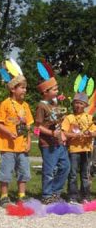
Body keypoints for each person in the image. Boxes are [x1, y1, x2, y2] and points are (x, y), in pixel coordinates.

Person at [0, 71, 34, 208]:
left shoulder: (25, 106)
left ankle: (22, 195)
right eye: (22, 87)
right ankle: (4, 196)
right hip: (8, 147)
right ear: (13, 89)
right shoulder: (5, 104)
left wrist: (28, 142)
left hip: (22, 146)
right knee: (6, 171)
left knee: (23, 171)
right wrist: (8, 132)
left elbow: (28, 126)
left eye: (25, 87)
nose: (25, 90)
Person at [35, 67, 70, 204]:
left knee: (65, 167)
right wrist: (50, 132)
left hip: (59, 143)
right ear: (45, 92)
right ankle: (47, 195)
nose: (57, 91)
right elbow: (37, 127)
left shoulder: (54, 103)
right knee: (49, 171)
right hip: (47, 144)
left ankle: (56, 192)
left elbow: (56, 120)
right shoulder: (41, 106)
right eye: (54, 89)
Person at [61, 93, 96, 204]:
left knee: (85, 174)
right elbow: (64, 132)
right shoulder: (69, 117)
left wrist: (90, 133)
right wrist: (74, 135)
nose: (78, 105)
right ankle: (72, 196)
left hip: (86, 149)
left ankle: (85, 196)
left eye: (80, 103)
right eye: (76, 103)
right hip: (73, 150)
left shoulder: (90, 118)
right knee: (73, 173)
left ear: (85, 105)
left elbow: (95, 132)